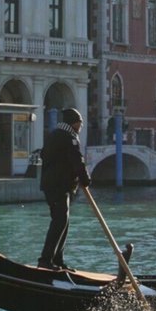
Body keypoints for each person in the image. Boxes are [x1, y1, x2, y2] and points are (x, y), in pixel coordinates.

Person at [38, 107, 91, 271]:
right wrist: (85, 179)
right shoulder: (70, 138)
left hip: (50, 185)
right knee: (60, 221)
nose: (81, 127)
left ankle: (57, 260)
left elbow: (44, 155)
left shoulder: (53, 135)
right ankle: (46, 260)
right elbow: (77, 160)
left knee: (62, 221)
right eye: (80, 123)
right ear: (74, 123)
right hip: (59, 186)